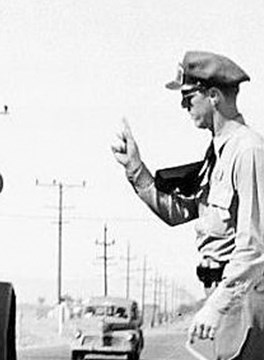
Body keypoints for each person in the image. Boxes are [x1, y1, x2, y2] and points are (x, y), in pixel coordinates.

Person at [111, 51, 264, 359]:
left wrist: (218, 306)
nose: (183, 105)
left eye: (189, 97)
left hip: (241, 301)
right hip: (224, 297)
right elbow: (178, 212)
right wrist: (136, 170)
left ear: (214, 95)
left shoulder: (247, 151)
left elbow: (255, 247)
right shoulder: (218, 153)